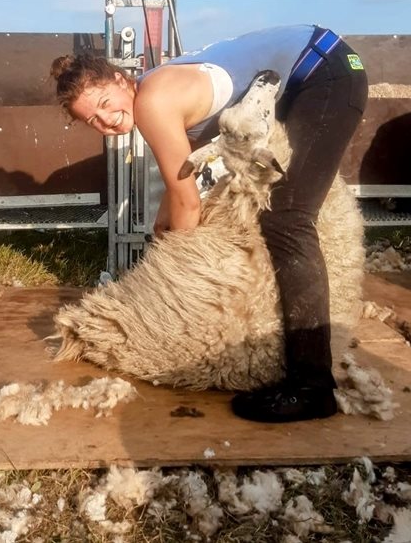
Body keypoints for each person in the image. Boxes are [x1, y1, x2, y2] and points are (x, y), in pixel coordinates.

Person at [50, 25, 368, 423]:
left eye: (105, 103)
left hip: (327, 71)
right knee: (271, 210)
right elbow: (181, 180)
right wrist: (162, 225)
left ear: (119, 78)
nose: (106, 121)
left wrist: (172, 278)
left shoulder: (152, 102)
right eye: (92, 120)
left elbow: (187, 200)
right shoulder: (155, 89)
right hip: (314, 72)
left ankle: (312, 387)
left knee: (288, 217)